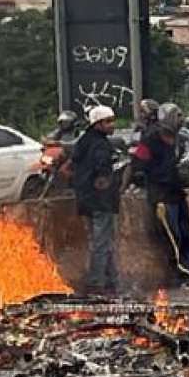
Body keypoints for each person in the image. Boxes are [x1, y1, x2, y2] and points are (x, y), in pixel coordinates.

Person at [134, 104, 189, 288]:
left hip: (177, 194)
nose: (181, 118)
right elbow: (138, 164)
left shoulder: (181, 138)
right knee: (172, 237)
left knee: (186, 233)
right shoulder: (150, 138)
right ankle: (178, 274)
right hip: (161, 197)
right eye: (177, 115)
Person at [70, 105, 121, 295]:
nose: (112, 125)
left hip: (86, 200)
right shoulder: (101, 145)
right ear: (97, 124)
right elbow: (102, 172)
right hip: (100, 201)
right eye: (108, 121)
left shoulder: (83, 141)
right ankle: (96, 283)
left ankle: (111, 281)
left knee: (101, 241)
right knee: (101, 243)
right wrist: (106, 183)